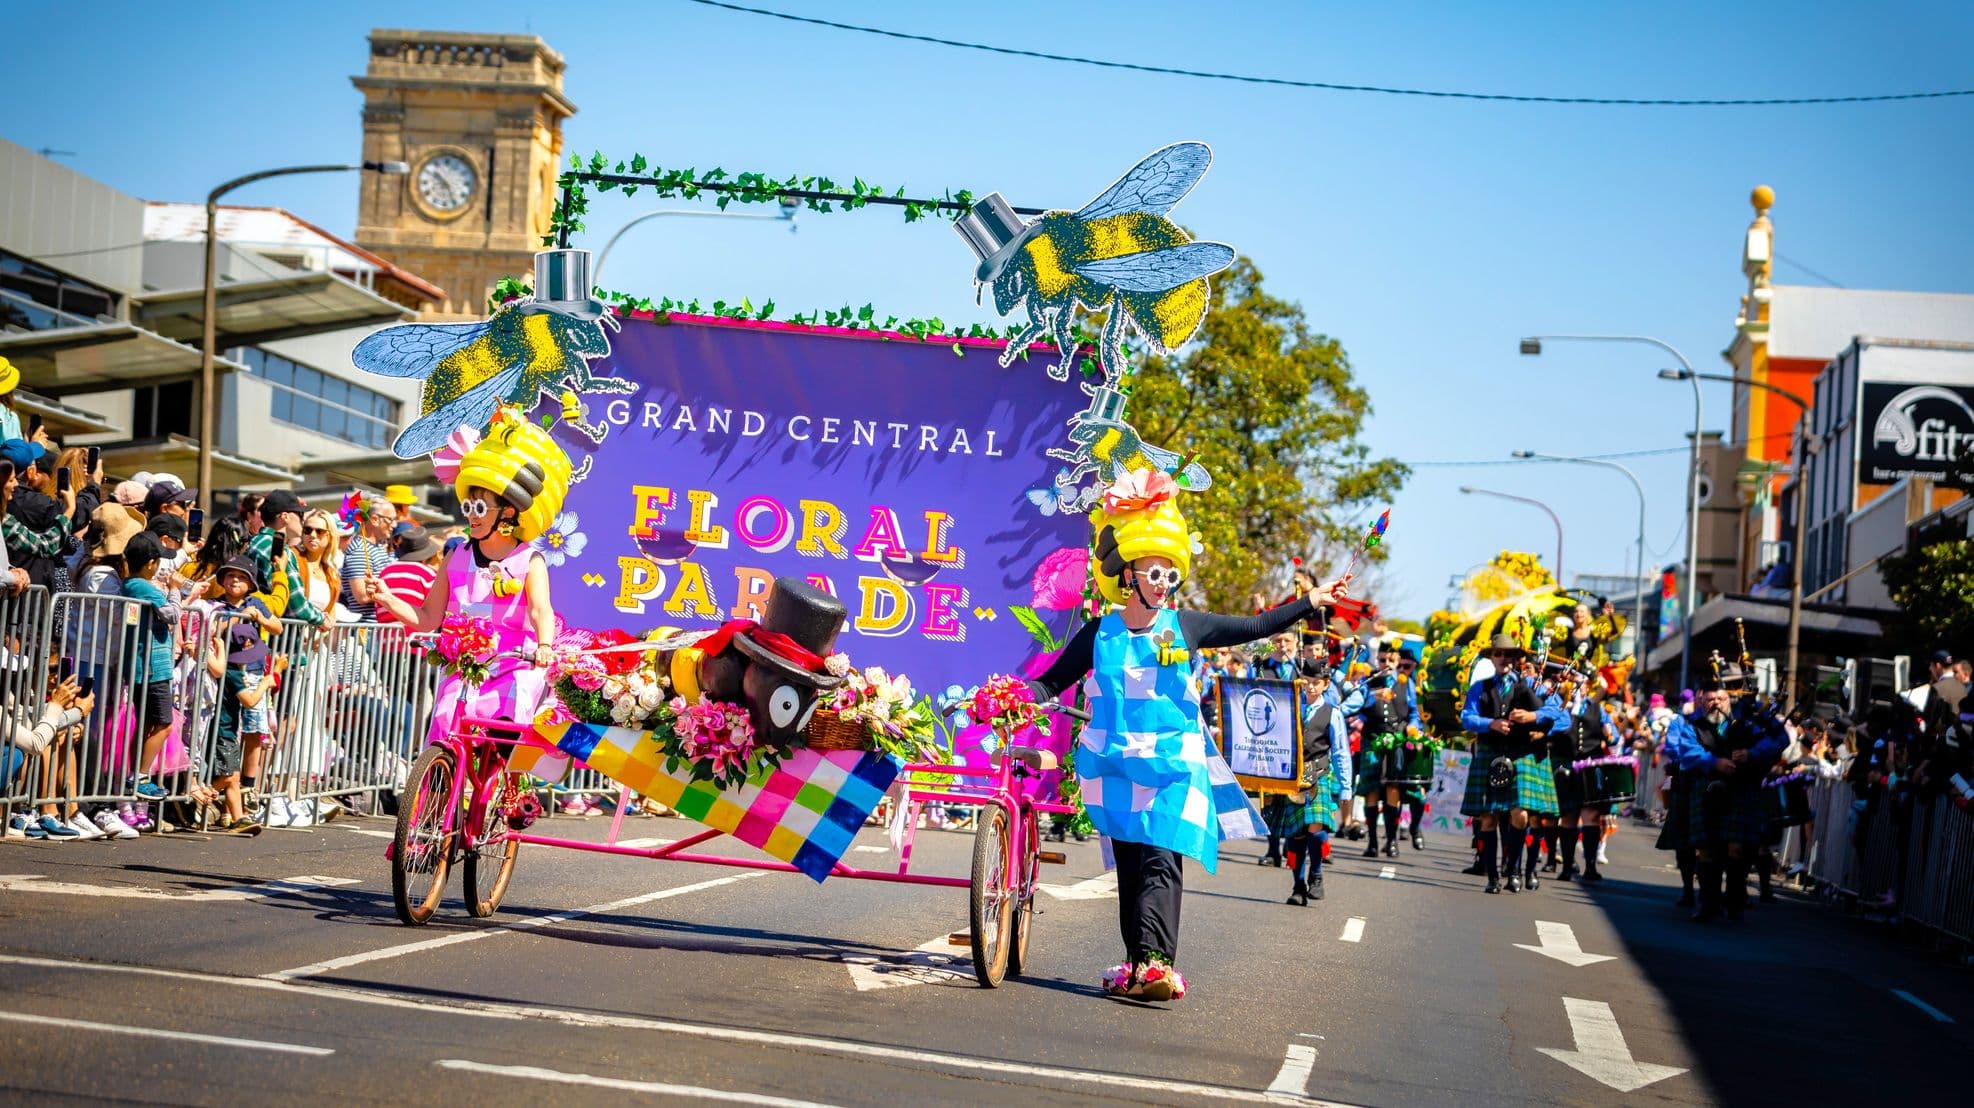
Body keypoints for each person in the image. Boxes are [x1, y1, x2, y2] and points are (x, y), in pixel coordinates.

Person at [1023, 468, 1348, 1000]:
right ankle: (1135, 963)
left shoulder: (1187, 626)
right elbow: (1052, 682)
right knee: (1130, 863)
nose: (1162, 582)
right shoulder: (1098, 632)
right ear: (1128, 575)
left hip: (1174, 766)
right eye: (1152, 572)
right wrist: (1018, 699)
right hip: (1115, 765)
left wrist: (1311, 601)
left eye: (1168, 574)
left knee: (1160, 856)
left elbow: (1252, 628)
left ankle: (1156, 963)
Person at [367, 406, 567, 743]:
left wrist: (544, 645)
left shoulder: (529, 559)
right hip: (466, 669)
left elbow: (539, 610)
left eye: (480, 508)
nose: (471, 517)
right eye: (468, 507)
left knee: (508, 721)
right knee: (445, 718)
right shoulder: (456, 557)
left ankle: (508, 792)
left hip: (515, 668)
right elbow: (429, 617)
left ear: (507, 511)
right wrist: (388, 599)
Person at [1662, 672, 1785, 922]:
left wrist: (1752, 754)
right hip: (1704, 788)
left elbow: (1779, 739)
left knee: (1737, 848)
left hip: (1740, 788)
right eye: (1710, 699)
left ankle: (1735, 899)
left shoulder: (1749, 719)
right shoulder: (1690, 723)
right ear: (1700, 700)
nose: (1716, 703)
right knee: (1707, 849)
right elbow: (1686, 750)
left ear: (1730, 698)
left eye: (1721, 698)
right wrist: (1714, 762)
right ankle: (1708, 904)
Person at [1460, 633, 1566, 893]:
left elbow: (1557, 714)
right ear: (1492, 657)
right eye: (1498, 654)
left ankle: (1516, 870)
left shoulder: (1529, 686)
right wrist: (1491, 724)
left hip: (1521, 754)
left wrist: (1532, 716)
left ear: (1517, 659)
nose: (1503, 658)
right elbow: (1467, 717)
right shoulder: (1480, 688)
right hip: (1489, 752)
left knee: (1521, 816)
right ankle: (1493, 878)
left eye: (1508, 654)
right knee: (1487, 820)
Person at [1278, 660, 1353, 904]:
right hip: (1293, 779)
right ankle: (1298, 887)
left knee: (1315, 828)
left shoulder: (1333, 713)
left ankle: (1317, 873)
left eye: (1316, 683)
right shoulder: (1291, 708)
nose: (1310, 687)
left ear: (1325, 685)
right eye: (1307, 682)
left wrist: (1346, 787)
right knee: (1296, 834)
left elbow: (1341, 752)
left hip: (1319, 776)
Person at [118, 532, 180, 804]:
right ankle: (140, 777)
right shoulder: (141, 587)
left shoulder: (133, 584)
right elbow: (172, 614)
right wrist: (175, 589)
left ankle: (135, 776)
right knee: (164, 724)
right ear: (152, 563)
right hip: (153, 668)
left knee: (146, 726)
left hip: (147, 667)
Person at [204, 619, 274, 835]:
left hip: (229, 729)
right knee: (229, 777)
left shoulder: (234, 670)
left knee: (233, 778)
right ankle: (198, 798)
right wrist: (265, 683)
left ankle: (238, 818)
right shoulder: (233, 673)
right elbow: (250, 701)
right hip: (222, 729)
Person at [1550, 671, 1617, 882]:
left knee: (1591, 816)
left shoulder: (1597, 708)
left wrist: (1610, 733)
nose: (1577, 687)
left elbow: (1614, 737)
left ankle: (1590, 866)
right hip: (1565, 765)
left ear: (1588, 687)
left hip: (1590, 766)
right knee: (1568, 816)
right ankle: (1568, 866)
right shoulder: (1559, 705)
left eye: (1581, 684)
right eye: (1573, 684)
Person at [247, 490, 323, 626]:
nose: (303, 520)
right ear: (285, 516)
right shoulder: (279, 550)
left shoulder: (253, 542)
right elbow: (297, 606)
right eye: (300, 514)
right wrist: (321, 619)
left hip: (256, 630)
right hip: (276, 639)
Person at [339, 494, 399, 621]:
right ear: (375, 519)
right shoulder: (359, 549)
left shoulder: (379, 547)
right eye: (391, 519)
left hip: (381, 629)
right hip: (368, 629)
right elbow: (362, 596)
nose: (394, 525)